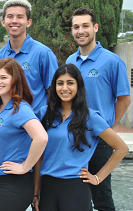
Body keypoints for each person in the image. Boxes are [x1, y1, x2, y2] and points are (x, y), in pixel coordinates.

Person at [33, 64, 128, 211]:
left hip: (75, 189)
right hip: (46, 189)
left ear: (78, 86)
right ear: (54, 86)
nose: (64, 88)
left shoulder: (90, 117)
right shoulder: (44, 114)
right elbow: (38, 156)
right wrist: (35, 193)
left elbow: (122, 148)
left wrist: (97, 178)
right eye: (60, 83)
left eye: (70, 83)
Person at [66, 8, 131, 211]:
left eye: (85, 26)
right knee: (76, 193)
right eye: (76, 27)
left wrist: (107, 128)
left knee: (101, 197)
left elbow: (124, 99)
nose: (80, 31)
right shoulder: (70, 61)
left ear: (95, 28)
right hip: (73, 136)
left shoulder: (112, 61)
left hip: (99, 140)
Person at [0, 58, 48, 211]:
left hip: (14, 184)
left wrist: (24, 166)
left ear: (15, 80)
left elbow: (41, 137)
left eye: (3, 77)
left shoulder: (20, 108)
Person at [0, 0, 58, 113]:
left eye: (20, 17)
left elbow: (55, 93)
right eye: (10, 16)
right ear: (3, 22)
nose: (14, 21)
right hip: (8, 123)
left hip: (36, 122)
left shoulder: (43, 54)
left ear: (28, 22)